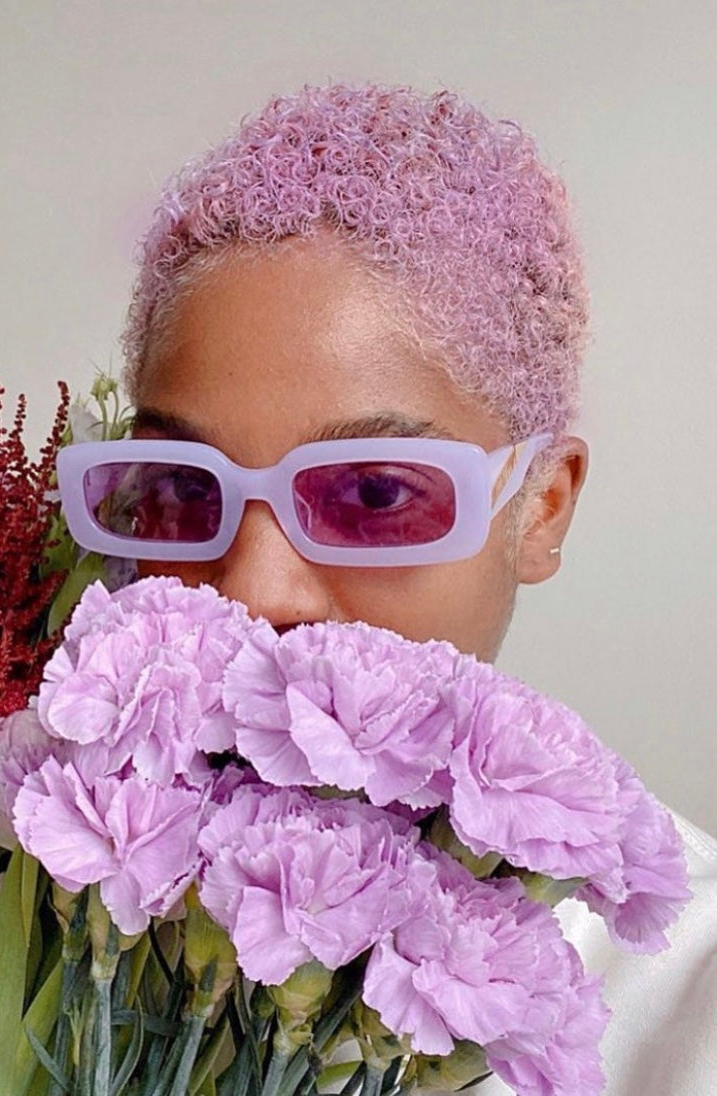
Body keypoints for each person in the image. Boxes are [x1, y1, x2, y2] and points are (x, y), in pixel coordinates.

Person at [59, 84, 717, 1094]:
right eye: (184, 489)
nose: (252, 589)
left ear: (537, 506)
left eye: (373, 490)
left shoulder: (686, 1000)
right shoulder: (9, 888)